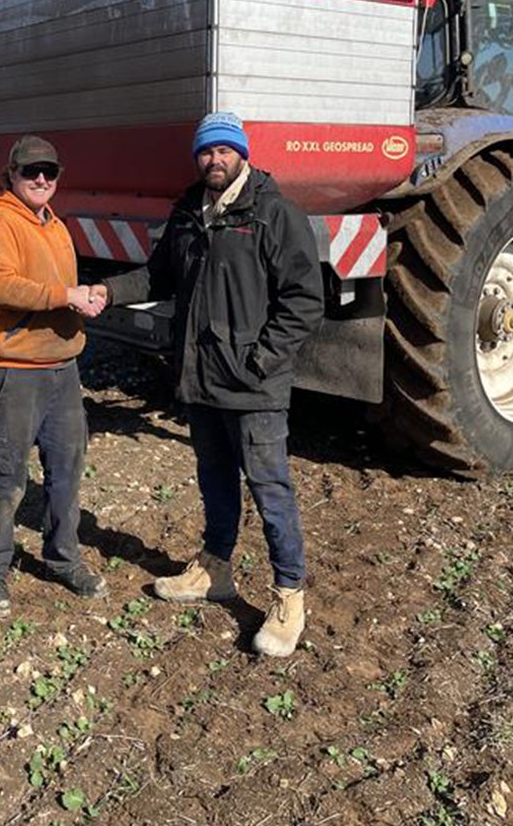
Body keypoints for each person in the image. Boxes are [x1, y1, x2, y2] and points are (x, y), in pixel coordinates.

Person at [90, 112, 323, 656]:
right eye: (205, 152)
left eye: (223, 151)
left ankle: (289, 595)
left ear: (241, 153)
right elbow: (158, 276)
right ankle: (215, 568)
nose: (214, 160)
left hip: (252, 385)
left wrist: (261, 361)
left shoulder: (272, 213)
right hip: (200, 379)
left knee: (270, 490)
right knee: (214, 480)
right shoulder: (189, 213)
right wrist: (106, 291)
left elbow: (304, 300)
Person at [0, 134, 107, 617]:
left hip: (63, 370)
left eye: (50, 171)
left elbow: (61, 288)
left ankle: (61, 557)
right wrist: (65, 295)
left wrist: (86, 297)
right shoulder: (0, 222)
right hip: (13, 372)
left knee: (67, 472)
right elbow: (2, 285)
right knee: (6, 479)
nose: (42, 179)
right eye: (31, 172)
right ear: (11, 175)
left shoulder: (54, 225)